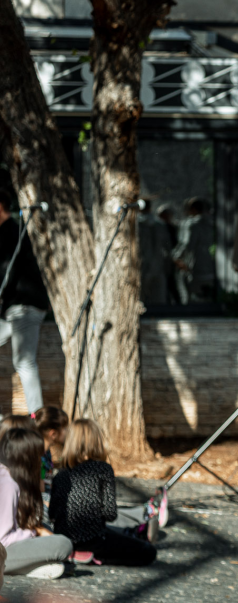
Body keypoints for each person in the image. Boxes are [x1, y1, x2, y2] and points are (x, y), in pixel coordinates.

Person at [49, 420, 156, 566]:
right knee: (148, 552)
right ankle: (97, 557)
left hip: (65, 539)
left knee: (113, 534)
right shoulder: (103, 469)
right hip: (94, 539)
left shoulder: (59, 475)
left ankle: (79, 552)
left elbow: (52, 514)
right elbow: (110, 514)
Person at [0, 186, 49, 413]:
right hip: (11, 309)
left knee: (24, 361)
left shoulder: (12, 234)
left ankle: (37, 420)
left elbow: (7, 273)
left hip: (24, 307)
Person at [0, 426, 72, 579]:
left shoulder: (7, 476)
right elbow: (4, 539)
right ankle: (26, 566)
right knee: (63, 544)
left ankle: (31, 565)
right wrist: (34, 532)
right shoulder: (7, 484)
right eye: (38, 457)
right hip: (4, 550)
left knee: (45, 529)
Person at [172, 197, 215, 304]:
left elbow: (187, 245)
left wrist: (176, 257)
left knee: (189, 299)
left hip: (194, 267)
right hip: (211, 268)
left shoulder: (192, 225)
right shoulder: (213, 223)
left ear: (193, 209)